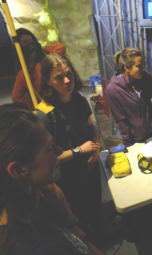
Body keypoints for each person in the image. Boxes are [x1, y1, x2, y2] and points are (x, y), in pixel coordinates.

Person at [0, 104, 103, 255]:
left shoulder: (34, 203)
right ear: (19, 170)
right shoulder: (36, 246)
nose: (59, 151)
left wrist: (68, 220)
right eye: (49, 148)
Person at [39, 53, 101, 238]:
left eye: (69, 74)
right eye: (59, 77)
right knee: (79, 218)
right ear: (48, 81)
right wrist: (79, 150)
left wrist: (95, 148)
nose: (67, 80)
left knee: (95, 207)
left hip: (90, 167)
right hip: (69, 178)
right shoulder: (44, 115)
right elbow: (49, 161)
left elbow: (91, 126)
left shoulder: (80, 100)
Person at [106, 48, 152, 145]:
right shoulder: (113, 90)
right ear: (126, 68)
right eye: (139, 66)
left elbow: (147, 103)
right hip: (135, 140)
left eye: (143, 65)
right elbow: (121, 120)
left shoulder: (147, 79)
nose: (143, 69)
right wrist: (128, 144)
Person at [11, 28, 45, 109]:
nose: (31, 47)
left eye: (31, 41)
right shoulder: (23, 74)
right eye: (26, 43)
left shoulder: (48, 59)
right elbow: (16, 98)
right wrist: (46, 110)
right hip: (42, 108)